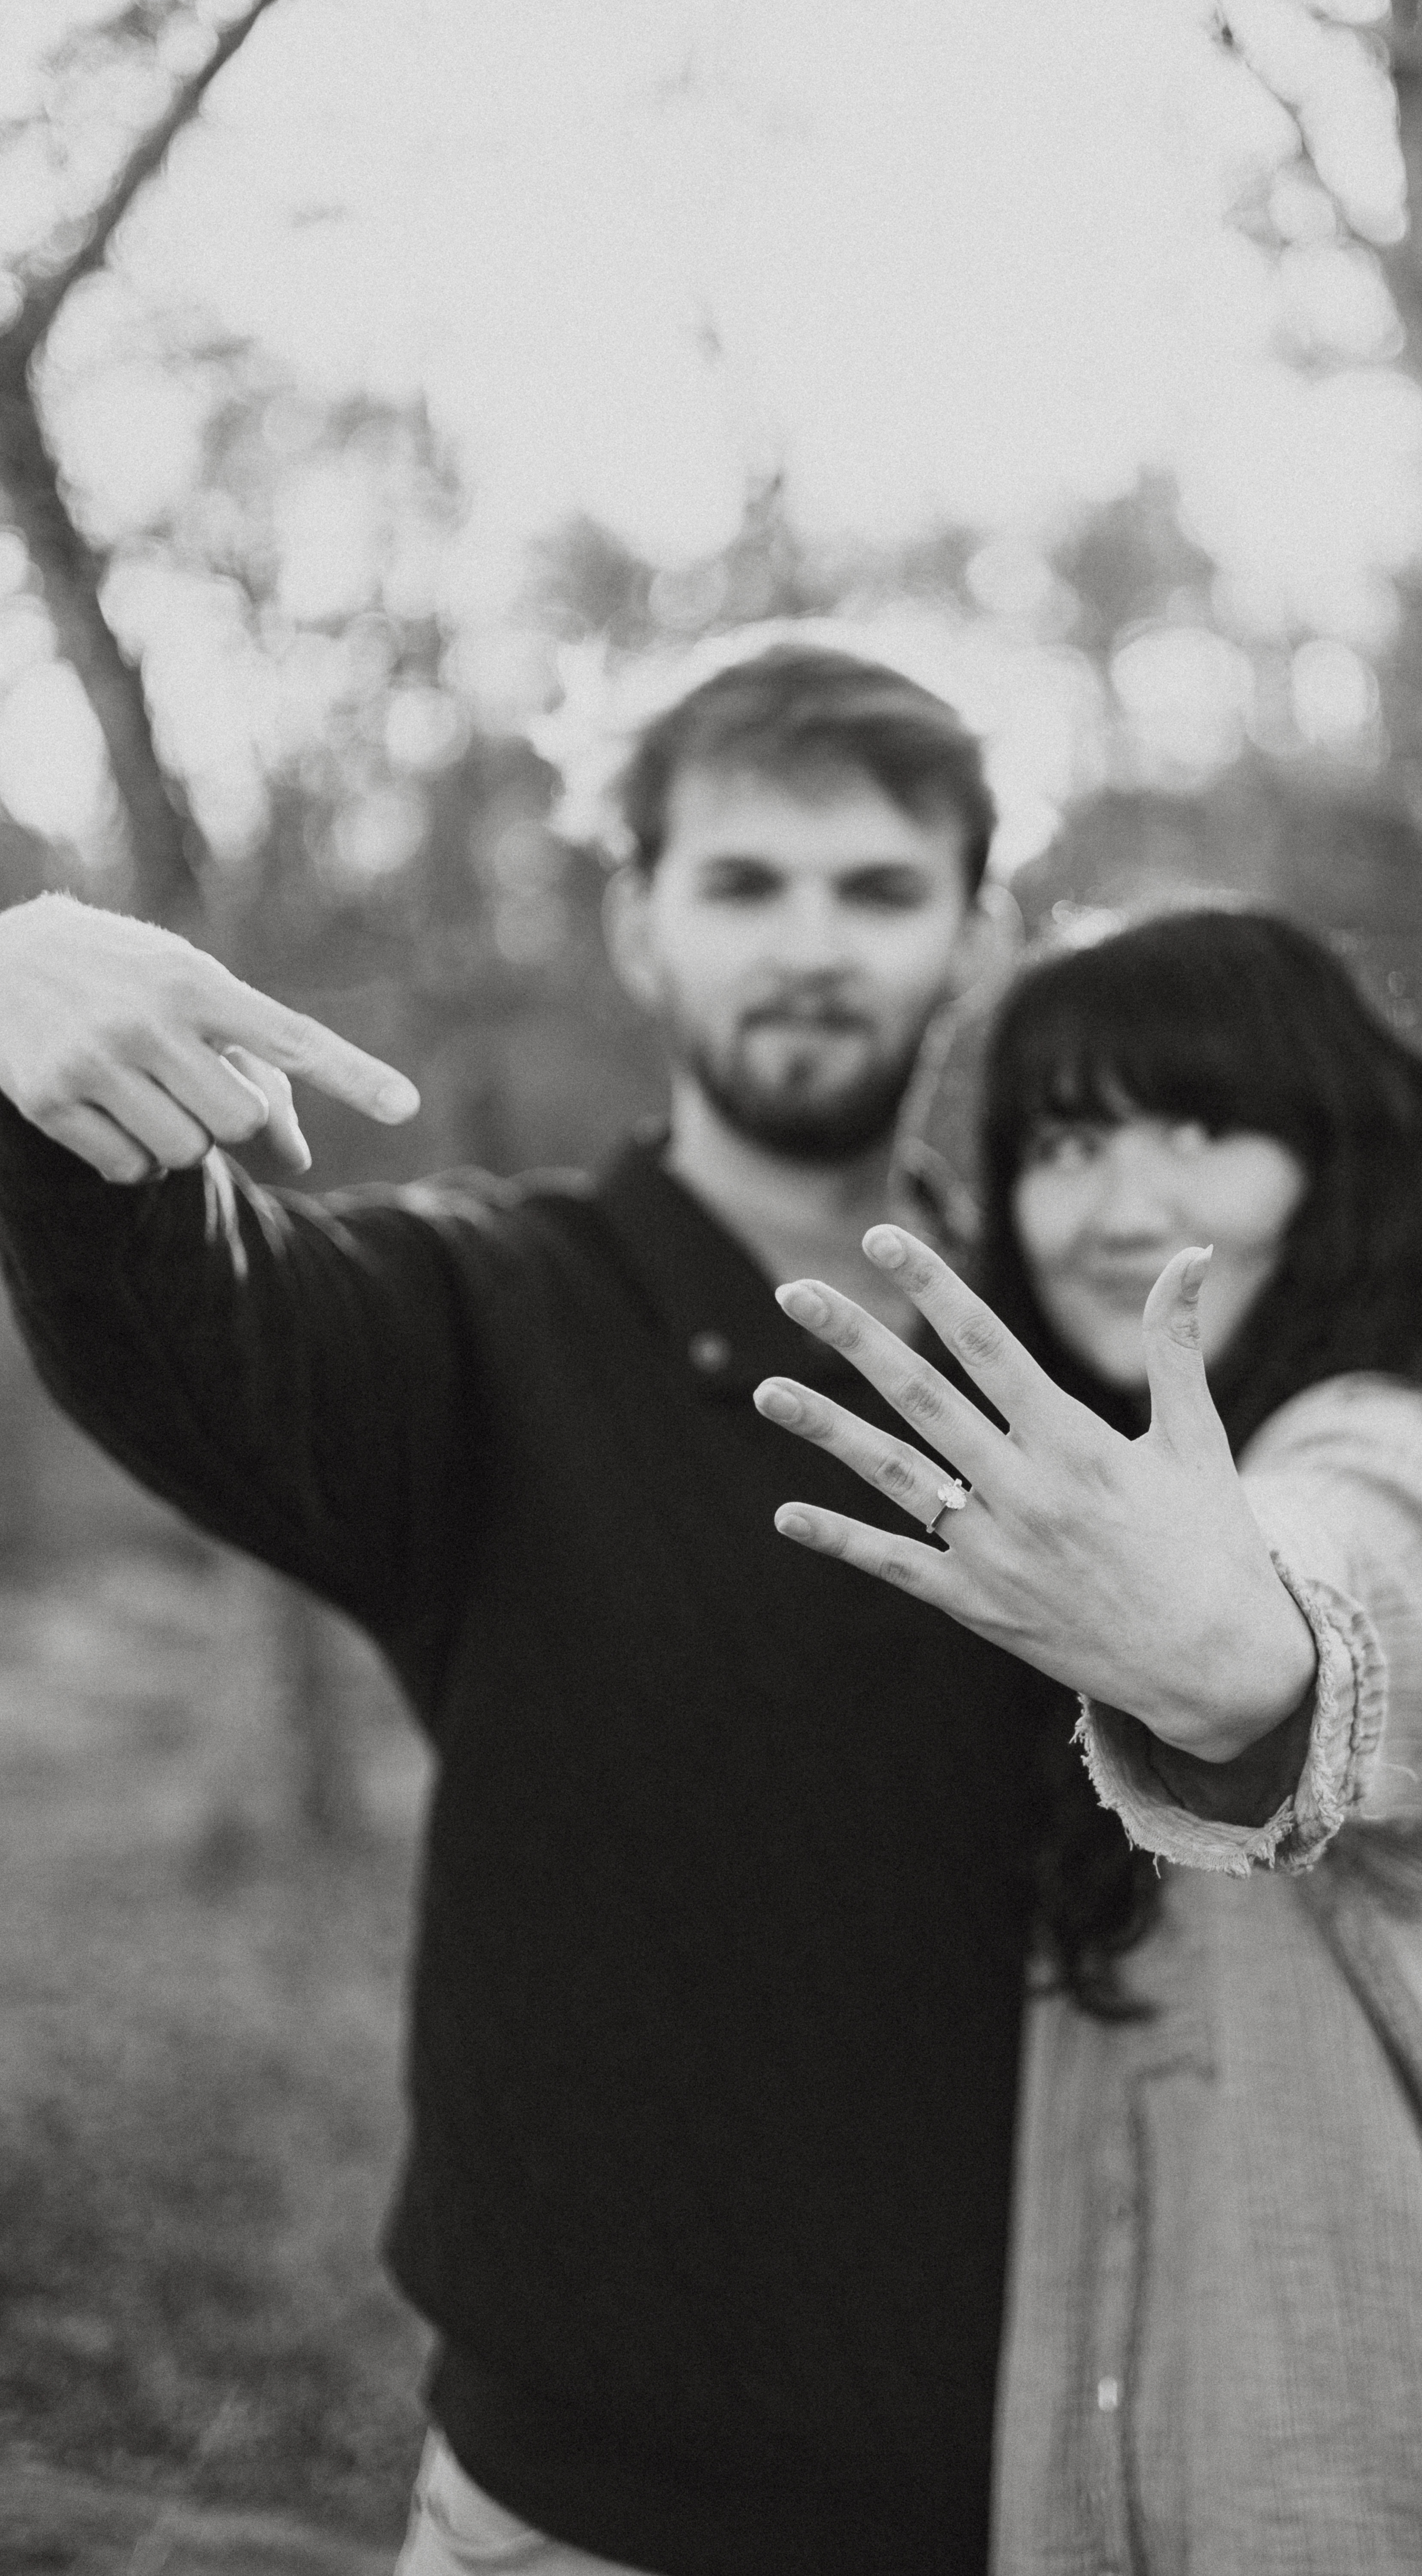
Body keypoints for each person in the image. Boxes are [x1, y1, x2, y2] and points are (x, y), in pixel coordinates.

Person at [0, 644, 1085, 2576]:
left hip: (1085, 2481)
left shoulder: (1099, 1374)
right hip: (583, 2510)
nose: (809, 945)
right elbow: (216, 1320)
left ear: (978, 931)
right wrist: (61, 1091)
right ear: (636, 924)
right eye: (742, 884)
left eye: (877, 888)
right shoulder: (487, 1308)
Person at [752, 905, 1422, 2576]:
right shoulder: (1074, 1553)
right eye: (1069, 1142)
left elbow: (1326, 1618)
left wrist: (1228, 1661)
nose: (1127, 1205)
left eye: (1200, 1130)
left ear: (1329, 1164)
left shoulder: (1419, 1459)